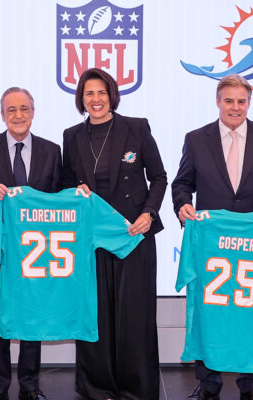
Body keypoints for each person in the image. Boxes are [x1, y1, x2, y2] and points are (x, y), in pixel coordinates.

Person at [171, 74, 253, 400]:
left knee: (251, 311)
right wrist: (183, 205)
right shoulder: (196, 139)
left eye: (241, 101)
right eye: (229, 101)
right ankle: (208, 383)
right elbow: (182, 183)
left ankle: (250, 384)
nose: (235, 107)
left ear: (249, 103)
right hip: (211, 246)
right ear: (218, 101)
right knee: (208, 309)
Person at [61, 68, 167, 400]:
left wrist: (149, 213)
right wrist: (73, 189)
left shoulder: (136, 127)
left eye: (101, 92)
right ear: (81, 98)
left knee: (134, 315)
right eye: (89, 93)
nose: (96, 99)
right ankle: (97, 387)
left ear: (112, 95)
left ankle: (136, 388)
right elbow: (65, 182)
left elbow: (159, 177)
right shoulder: (71, 136)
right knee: (95, 314)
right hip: (91, 239)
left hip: (133, 234)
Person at [0, 87, 61, 400]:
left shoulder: (52, 151)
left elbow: (59, 199)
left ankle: (30, 385)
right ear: (2, 115)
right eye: (11, 110)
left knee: (31, 315)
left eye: (24, 109)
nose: (18, 115)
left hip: (37, 250)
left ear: (33, 113)